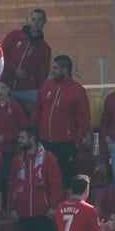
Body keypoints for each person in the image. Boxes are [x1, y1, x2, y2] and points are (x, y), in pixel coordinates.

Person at [32, 55, 91, 185]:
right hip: (45, 141)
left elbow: (84, 118)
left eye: (55, 68)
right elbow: (37, 109)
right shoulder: (46, 86)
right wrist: (35, 134)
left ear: (65, 70)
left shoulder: (77, 90)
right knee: (44, 177)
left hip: (66, 143)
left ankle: (65, 204)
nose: (52, 70)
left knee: (65, 178)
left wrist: (76, 141)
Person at [2, 8, 52, 107]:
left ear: (44, 22)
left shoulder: (45, 48)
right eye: (33, 19)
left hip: (29, 91)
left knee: (32, 119)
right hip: (8, 87)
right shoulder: (15, 35)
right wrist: (14, 70)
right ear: (30, 20)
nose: (36, 23)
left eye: (39, 20)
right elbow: (1, 55)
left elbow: (42, 74)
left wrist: (35, 86)